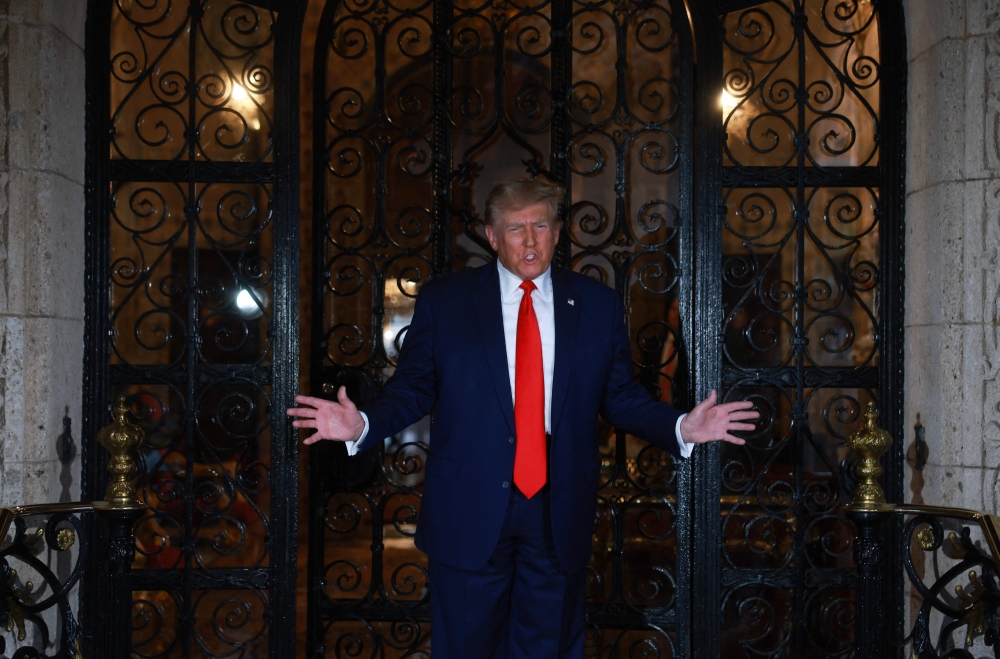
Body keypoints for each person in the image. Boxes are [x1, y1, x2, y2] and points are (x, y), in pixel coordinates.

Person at [287, 178, 758, 658]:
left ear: (557, 232)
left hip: (557, 507)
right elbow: (414, 388)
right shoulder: (446, 301)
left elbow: (618, 398)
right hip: (468, 503)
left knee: (548, 646)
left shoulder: (596, 305)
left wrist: (681, 427)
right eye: (515, 228)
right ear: (492, 237)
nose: (530, 240)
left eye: (540, 225)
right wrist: (363, 423)